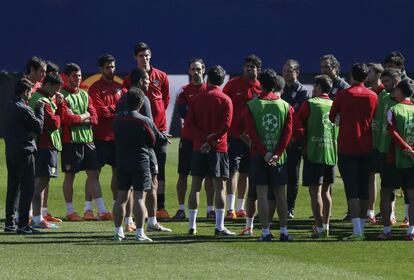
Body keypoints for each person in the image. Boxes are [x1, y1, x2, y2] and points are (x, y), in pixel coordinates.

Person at [113, 88, 169, 242]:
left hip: (122, 160)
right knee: (139, 198)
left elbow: (115, 136)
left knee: (121, 198)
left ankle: (118, 232)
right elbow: (153, 141)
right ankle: (139, 233)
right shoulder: (144, 120)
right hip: (140, 161)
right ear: (141, 102)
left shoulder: (117, 118)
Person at [329, 63, 377, 241]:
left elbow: (332, 117)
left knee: (352, 189)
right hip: (366, 145)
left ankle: (357, 231)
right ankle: (361, 229)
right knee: (364, 188)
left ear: (351, 76)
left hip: (347, 146)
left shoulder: (343, 95)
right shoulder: (373, 96)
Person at [244, 69, 293, 242]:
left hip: (259, 156)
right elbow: (288, 134)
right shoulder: (285, 106)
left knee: (262, 194)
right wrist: (277, 153)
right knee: (281, 195)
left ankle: (265, 232)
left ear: (261, 83)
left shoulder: (253, 105)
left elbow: (251, 133)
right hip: (279, 158)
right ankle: (284, 231)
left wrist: (265, 153)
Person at [186, 65, 235, 236]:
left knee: (195, 187)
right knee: (219, 188)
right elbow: (226, 126)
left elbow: (190, 124)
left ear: (207, 78)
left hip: (199, 147)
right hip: (218, 148)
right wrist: (211, 140)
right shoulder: (225, 99)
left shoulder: (196, 99)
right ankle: (219, 226)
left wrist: (203, 140)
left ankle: (192, 225)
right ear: (222, 81)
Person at [123, 42, 171, 219]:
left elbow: (164, 100)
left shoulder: (161, 76)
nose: (145, 58)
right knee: (140, 170)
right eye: (142, 56)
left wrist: (156, 122)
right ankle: (138, 210)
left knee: (160, 171)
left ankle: (161, 206)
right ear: (135, 57)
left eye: (148, 55)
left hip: (159, 130)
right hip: (138, 132)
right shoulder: (130, 78)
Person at [60, 63, 112, 221]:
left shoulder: (84, 94)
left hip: (88, 140)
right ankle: (70, 212)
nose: (78, 79)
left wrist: (80, 117)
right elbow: (69, 119)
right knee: (70, 176)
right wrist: (84, 117)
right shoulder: (61, 95)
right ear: (67, 77)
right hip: (71, 141)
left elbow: (95, 118)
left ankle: (102, 211)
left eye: (80, 76)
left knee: (94, 174)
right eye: (75, 76)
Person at [295, 75, 337, 238]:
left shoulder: (310, 104)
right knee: (327, 192)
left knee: (315, 192)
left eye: (314, 87)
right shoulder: (334, 105)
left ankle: (319, 228)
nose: (313, 90)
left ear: (319, 88)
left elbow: (298, 125)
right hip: (331, 152)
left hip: (313, 152)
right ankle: (326, 227)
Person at [172, 58, 215, 220]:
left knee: (209, 175)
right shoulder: (184, 91)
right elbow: (184, 114)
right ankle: (181, 208)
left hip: (206, 140)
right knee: (183, 173)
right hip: (189, 138)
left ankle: (210, 209)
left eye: (198, 69)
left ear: (204, 70)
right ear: (189, 71)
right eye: (193, 69)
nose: (196, 72)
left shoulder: (210, 90)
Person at [222, 55, 261, 220]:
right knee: (233, 171)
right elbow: (223, 104)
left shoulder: (261, 87)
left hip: (252, 139)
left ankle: (240, 207)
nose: (249, 69)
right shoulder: (233, 84)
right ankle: (230, 209)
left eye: (253, 66)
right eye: (247, 66)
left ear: (258, 69)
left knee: (245, 172)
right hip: (234, 136)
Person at [88, 55, 126, 221]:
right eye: (107, 67)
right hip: (100, 136)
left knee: (118, 173)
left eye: (113, 67)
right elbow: (99, 111)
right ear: (100, 69)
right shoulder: (95, 88)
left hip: (117, 137)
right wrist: (116, 109)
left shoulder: (121, 88)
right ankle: (94, 209)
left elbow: (125, 109)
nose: (111, 70)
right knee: (94, 173)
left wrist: (112, 110)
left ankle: (116, 206)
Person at [4, 78, 44, 233]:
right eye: (30, 92)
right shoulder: (24, 108)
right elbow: (38, 127)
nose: (31, 95)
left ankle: (9, 222)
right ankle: (23, 225)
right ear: (25, 92)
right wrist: (39, 109)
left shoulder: (8, 106)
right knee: (27, 188)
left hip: (11, 151)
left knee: (13, 188)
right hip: (25, 152)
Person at [28, 73, 65, 229]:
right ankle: (37, 219)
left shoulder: (41, 98)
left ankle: (35, 217)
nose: (56, 93)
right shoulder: (43, 100)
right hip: (46, 146)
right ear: (48, 85)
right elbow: (54, 124)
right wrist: (62, 106)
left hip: (43, 146)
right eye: (55, 88)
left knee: (38, 183)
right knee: (40, 185)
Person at [368, 68, 400, 225]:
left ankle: (400, 218)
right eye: (384, 80)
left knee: (401, 187)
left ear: (396, 82)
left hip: (398, 150)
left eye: (387, 81)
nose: (384, 84)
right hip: (382, 148)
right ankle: (387, 217)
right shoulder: (381, 96)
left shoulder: (401, 101)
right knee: (386, 185)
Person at [281, 59, 310, 219]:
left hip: (295, 140)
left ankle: (289, 207)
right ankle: (275, 205)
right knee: (276, 173)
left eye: (290, 70)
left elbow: (298, 116)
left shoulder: (303, 92)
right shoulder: (280, 89)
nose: (286, 73)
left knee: (293, 175)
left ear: (297, 72)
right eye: (284, 70)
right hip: (280, 140)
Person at [386, 78, 414, 241]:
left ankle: (387, 229)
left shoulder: (393, 109)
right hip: (412, 159)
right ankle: (411, 231)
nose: (393, 92)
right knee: (412, 196)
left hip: (395, 160)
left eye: (396, 89)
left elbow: (392, 131)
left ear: (400, 91)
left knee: (388, 193)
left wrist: (405, 148)